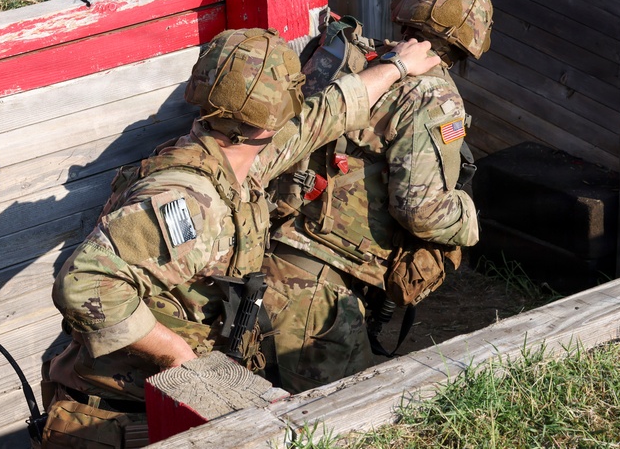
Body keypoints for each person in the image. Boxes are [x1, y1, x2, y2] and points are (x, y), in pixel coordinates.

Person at [42, 27, 439, 428]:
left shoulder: (235, 159)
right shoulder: (195, 203)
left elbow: (322, 115)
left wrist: (397, 65)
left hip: (159, 405)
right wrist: (176, 355)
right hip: (118, 418)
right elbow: (84, 284)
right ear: (276, 114)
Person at [262, 0, 494, 393]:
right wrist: (468, 217)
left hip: (270, 255)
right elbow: (421, 211)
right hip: (319, 292)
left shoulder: (359, 58)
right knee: (336, 413)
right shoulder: (433, 96)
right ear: (472, 39)